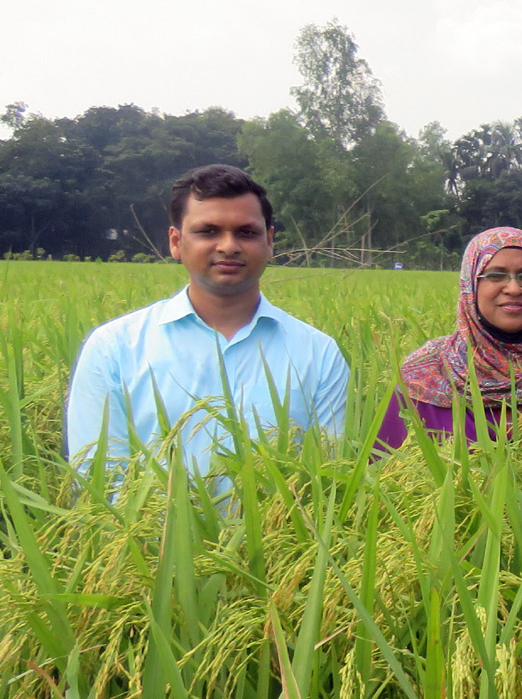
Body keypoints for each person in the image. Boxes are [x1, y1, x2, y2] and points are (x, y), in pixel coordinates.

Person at [65, 164, 348, 475]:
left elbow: (330, 477)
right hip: (149, 524)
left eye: (246, 232)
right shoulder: (114, 348)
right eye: (208, 231)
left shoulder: (319, 354)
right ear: (175, 242)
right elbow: (98, 478)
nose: (228, 246)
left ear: (269, 242)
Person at [377, 227, 522, 449]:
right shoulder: (424, 374)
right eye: (495, 275)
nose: (514, 288)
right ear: (471, 286)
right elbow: (382, 471)